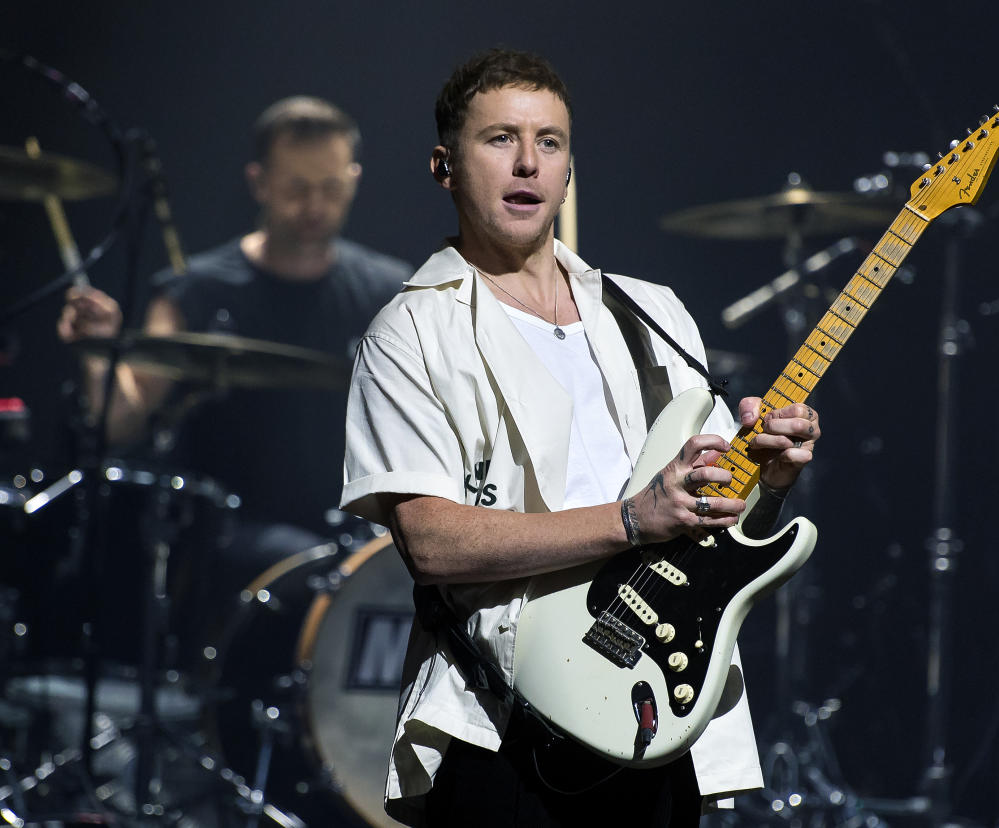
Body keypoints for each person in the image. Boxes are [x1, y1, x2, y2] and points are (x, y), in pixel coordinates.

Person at [339, 49, 820, 826]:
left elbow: (716, 529)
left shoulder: (651, 311)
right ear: (444, 166)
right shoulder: (409, 330)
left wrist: (767, 480)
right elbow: (428, 544)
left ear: (569, 171)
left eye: (550, 142)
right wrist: (632, 519)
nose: (528, 161)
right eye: (499, 139)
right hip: (506, 730)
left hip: (660, 708)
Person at [56, 95, 412, 552]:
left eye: (331, 188)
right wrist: (98, 353)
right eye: (297, 189)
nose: (315, 205)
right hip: (223, 540)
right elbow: (122, 423)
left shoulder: (389, 293)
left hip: (350, 535)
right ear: (259, 183)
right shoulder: (197, 290)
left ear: (354, 180)